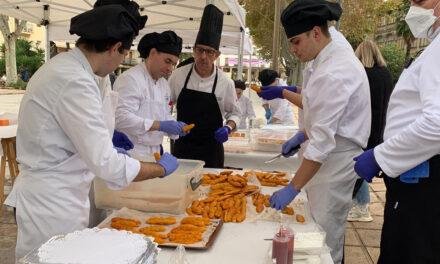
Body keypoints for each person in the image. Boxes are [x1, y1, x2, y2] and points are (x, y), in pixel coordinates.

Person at [4, 2, 179, 259]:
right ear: (115, 47)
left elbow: (90, 130)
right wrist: (159, 169)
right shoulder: (73, 78)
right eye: (123, 55)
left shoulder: (82, 71)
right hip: (51, 202)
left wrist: (107, 140)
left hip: (66, 192)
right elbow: (107, 165)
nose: (121, 63)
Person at [267, 1, 371, 263]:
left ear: (316, 33)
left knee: (324, 235)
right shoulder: (328, 47)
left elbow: (323, 143)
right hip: (329, 149)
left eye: (296, 42)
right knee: (314, 226)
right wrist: (302, 135)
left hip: (337, 160)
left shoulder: (335, 71)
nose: (293, 50)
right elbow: (320, 109)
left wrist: (293, 187)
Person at [354, 0, 440, 262]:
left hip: (423, 184)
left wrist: (381, 156)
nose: (413, 9)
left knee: (408, 252)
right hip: (414, 178)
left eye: (419, 1)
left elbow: (437, 123)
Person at [168, 4, 241, 168]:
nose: (203, 56)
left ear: (217, 55)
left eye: (209, 52)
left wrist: (228, 128)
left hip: (212, 151)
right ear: (193, 50)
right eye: (200, 50)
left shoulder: (225, 82)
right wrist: (167, 125)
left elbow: (235, 113)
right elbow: (164, 103)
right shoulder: (178, 75)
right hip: (182, 149)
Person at [114, 31, 187, 160]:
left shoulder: (163, 84)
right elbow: (121, 118)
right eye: (167, 61)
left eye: (173, 64)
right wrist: (159, 125)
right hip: (131, 151)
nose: (170, 68)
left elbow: (162, 114)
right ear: (152, 53)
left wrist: (174, 127)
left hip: (155, 152)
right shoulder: (131, 79)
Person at [347, 40, 394, 222]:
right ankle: (362, 205)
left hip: (363, 128)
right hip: (381, 127)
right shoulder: (386, 74)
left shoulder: (362, 75)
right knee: (363, 168)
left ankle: (360, 207)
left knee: (356, 168)